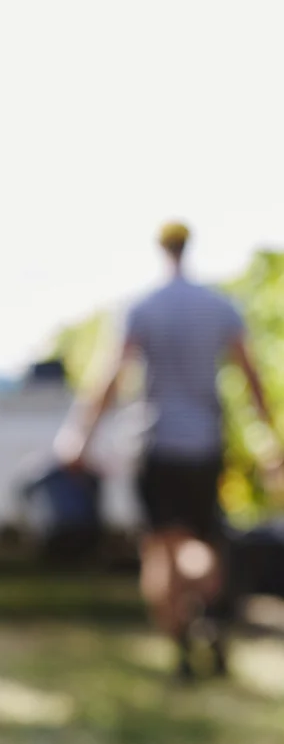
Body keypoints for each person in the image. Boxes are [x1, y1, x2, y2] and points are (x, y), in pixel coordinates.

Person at [55, 222, 279, 680]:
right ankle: (209, 613)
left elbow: (110, 377)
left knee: (162, 549)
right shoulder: (219, 306)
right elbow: (250, 373)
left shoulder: (142, 307)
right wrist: (270, 437)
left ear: (161, 250)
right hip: (205, 444)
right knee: (203, 540)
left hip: (157, 445)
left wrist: (80, 436)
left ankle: (180, 644)